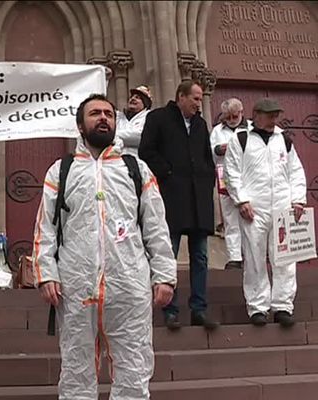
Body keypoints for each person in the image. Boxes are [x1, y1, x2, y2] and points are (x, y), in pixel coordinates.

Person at [33, 93, 176, 400]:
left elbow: (156, 226)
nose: (103, 118)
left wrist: (164, 275)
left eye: (108, 114)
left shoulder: (135, 169)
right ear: (80, 126)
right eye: (95, 113)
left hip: (129, 283)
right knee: (75, 369)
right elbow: (46, 226)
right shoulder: (62, 170)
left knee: (134, 368)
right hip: (76, 284)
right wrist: (46, 273)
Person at [139, 80, 219, 331]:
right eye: (195, 98)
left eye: (199, 99)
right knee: (168, 254)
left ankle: (199, 309)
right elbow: (146, 151)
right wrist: (168, 173)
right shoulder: (159, 118)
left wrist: (207, 180)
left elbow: (207, 156)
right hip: (171, 197)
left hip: (198, 200)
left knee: (200, 256)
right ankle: (169, 310)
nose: (199, 103)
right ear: (181, 97)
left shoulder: (200, 124)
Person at [224, 98, 306, 328]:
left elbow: (296, 172)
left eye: (275, 116)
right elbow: (231, 173)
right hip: (254, 208)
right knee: (254, 257)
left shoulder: (284, 140)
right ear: (256, 114)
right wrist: (241, 200)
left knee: (284, 258)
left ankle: (283, 305)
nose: (273, 120)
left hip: (282, 206)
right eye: (269, 115)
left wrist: (298, 199)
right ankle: (258, 306)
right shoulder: (240, 139)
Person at [210, 98, 248, 270]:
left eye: (235, 116)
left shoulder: (251, 128)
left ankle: (250, 255)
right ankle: (235, 257)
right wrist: (219, 149)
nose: (232, 120)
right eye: (228, 117)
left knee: (249, 218)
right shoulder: (217, 130)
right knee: (230, 218)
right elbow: (211, 151)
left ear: (241, 112)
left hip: (247, 177)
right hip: (225, 177)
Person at [115, 85, 153, 156]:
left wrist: (112, 135)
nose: (132, 99)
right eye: (131, 97)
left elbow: (140, 136)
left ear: (145, 103)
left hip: (138, 162)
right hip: (116, 161)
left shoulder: (150, 117)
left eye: (137, 98)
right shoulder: (118, 117)